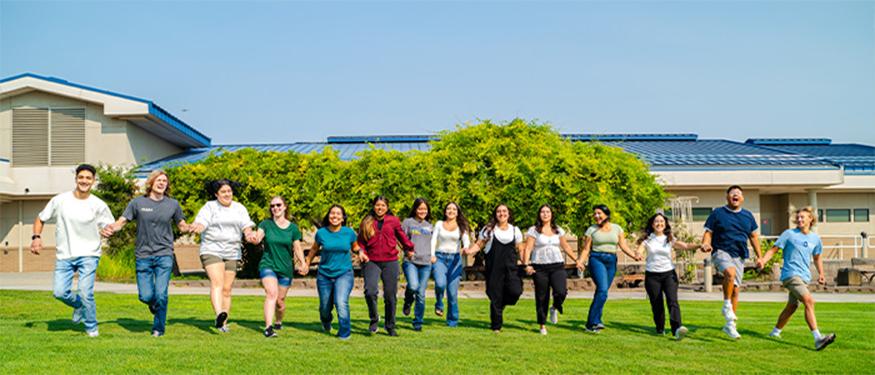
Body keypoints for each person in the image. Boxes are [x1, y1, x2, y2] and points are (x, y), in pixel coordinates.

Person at [30, 164, 115, 337]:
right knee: (59, 292)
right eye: (81, 177)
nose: (84, 181)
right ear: (76, 179)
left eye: (88, 178)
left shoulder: (98, 204)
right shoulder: (60, 200)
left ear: (93, 181)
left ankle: (91, 328)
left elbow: (109, 226)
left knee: (85, 292)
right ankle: (78, 306)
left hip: (90, 254)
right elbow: (40, 218)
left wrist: (108, 230)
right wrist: (36, 237)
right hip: (65, 254)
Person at [108, 170, 188, 337]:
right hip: (143, 255)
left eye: (164, 181)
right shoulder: (137, 203)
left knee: (161, 293)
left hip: (164, 254)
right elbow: (122, 221)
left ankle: (158, 328)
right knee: (145, 296)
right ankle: (154, 304)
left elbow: (181, 224)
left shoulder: (172, 204)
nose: (162, 183)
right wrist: (112, 228)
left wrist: (190, 227)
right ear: (151, 183)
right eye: (158, 180)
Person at [758, 207, 836, 351]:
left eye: (803, 217)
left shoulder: (815, 239)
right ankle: (818, 338)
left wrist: (821, 274)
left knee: (792, 306)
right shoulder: (789, 234)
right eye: (798, 217)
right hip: (790, 275)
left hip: (804, 277)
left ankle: (775, 333)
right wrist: (763, 260)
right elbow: (773, 250)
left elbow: (817, 257)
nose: (799, 219)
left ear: (810, 219)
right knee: (809, 301)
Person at [188, 179, 256, 333]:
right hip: (212, 249)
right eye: (223, 192)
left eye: (229, 191)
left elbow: (246, 225)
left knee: (227, 288)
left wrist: (249, 234)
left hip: (232, 251)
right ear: (216, 194)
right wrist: (198, 227)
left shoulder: (239, 208)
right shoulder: (210, 207)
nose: (227, 194)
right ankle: (219, 313)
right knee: (217, 283)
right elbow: (202, 222)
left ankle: (223, 323)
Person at [700, 185, 762, 340]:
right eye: (733, 193)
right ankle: (726, 305)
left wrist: (760, 256)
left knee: (735, 289)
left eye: (739, 194)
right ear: (727, 197)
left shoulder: (748, 216)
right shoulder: (718, 213)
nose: (736, 195)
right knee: (730, 273)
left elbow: (753, 237)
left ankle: (730, 325)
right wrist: (706, 243)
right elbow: (708, 233)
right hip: (721, 250)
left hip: (739, 255)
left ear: (742, 198)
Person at [575, 204, 642, 333]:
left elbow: (623, 246)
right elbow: (586, 249)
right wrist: (580, 261)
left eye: (599, 213)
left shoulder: (617, 229)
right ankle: (593, 322)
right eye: (594, 214)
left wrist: (634, 255)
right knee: (603, 290)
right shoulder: (591, 230)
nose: (596, 216)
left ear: (606, 214)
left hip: (611, 260)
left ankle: (593, 323)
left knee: (602, 292)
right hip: (596, 259)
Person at [635, 213, 698, 340]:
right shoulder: (647, 240)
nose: (659, 224)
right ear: (652, 225)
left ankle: (677, 329)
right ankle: (660, 327)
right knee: (656, 303)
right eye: (656, 222)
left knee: (672, 301)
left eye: (662, 221)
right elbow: (639, 250)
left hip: (669, 274)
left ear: (665, 224)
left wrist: (700, 245)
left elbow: (685, 246)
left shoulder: (669, 239)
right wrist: (638, 254)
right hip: (652, 275)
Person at [357, 196, 415, 336]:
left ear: (387, 207)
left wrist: (409, 248)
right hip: (371, 261)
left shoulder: (393, 221)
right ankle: (374, 318)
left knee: (390, 295)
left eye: (383, 205)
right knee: (370, 291)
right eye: (377, 205)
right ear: (374, 206)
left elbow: (401, 236)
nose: (380, 208)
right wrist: (361, 252)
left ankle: (390, 325)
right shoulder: (366, 221)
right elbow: (361, 241)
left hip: (390, 261)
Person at [249, 196, 305, 338]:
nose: (275, 208)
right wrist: (254, 238)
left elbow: (297, 247)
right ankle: (268, 328)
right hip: (268, 264)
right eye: (272, 206)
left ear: (285, 207)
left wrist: (303, 263)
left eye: (278, 205)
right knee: (271, 294)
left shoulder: (293, 228)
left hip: (285, 268)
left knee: (280, 302)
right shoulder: (266, 224)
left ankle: (278, 320)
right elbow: (259, 237)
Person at [465, 204, 524, 333]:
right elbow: (479, 244)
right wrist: (469, 251)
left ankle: (501, 305)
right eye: (499, 211)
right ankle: (496, 326)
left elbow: (520, 248)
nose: (502, 213)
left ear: (509, 214)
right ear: (495, 214)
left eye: (504, 211)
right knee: (495, 296)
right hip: (494, 269)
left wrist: (526, 261)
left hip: (511, 268)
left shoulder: (515, 230)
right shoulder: (489, 230)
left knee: (515, 291)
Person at [304, 204, 359, 340]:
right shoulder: (322, 233)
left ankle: (344, 333)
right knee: (325, 307)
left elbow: (355, 247)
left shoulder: (349, 233)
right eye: (332, 213)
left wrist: (361, 253)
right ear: (328, 216)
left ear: (343, 218)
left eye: (338, 214)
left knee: (341, 302)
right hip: (324, 275)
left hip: (344, 273)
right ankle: (326, 321)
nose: (335, 216)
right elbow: (314, 250)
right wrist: (306, 263)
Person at [522, 204, 578, 335]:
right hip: (539, 267)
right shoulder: (534, 230)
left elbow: (566, 247)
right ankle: (542, 325)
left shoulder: (558, 230)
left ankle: (554, 307)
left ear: (552, 214)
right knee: (542, 296)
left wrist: (577, 260)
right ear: (539, 214)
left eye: (548, 212)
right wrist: (526, 264)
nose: (545, 214)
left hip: (557, 265)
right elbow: (528, 248)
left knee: (561, 291)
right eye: (542, 212)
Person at [430, 201, 472, 328]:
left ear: (457, 212)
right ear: (445, 211)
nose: (451, 211)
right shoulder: (439, 224)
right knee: (440, 284)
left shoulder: (461, 226)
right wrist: (432, 255)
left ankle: (452, 321)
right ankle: (439, 303)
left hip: (455, 259)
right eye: (448, 208)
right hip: (440, 258)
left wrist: (466, 248)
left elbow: (466, 240)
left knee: (452, 293)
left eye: (454, 209)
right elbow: (433, 239)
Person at [400, 198, 435, 331]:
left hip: (426, 263)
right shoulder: (408, 222)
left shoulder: (429, 225)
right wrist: (406, 250)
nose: (422, 211)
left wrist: (433, 255)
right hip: (411, 262)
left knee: (421, 293)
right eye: (420, 208)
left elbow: (433, 243)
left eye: (425, 209)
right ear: (415, 209)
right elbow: (400, 238)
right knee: (413, 286)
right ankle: (408, 301)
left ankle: (418, 321)